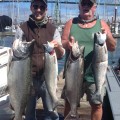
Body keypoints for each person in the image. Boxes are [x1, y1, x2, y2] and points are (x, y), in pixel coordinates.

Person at [61, 0, 116, 120]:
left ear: (94, 7)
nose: (86, 7)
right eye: (83, 4)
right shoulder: (71, 23)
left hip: (94, 75)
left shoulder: (102, 24)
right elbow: (63, 42)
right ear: (79, 6)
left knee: (97, 105)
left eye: (89, 4)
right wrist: (68, 45)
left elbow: (112, 47)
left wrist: (107, 37)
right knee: (69, 103)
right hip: (73, 72)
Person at [13, 0, 65, 120]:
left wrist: (57, 47)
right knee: (29, 113)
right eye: (35, 6)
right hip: (27, 78)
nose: (38, 10)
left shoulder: (53, 30)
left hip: (47, 78)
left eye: (42, 7)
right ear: (31, 7)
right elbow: (15, 51)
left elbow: (61, 54)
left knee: (51, 114)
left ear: (46, 9)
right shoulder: (22, 28)